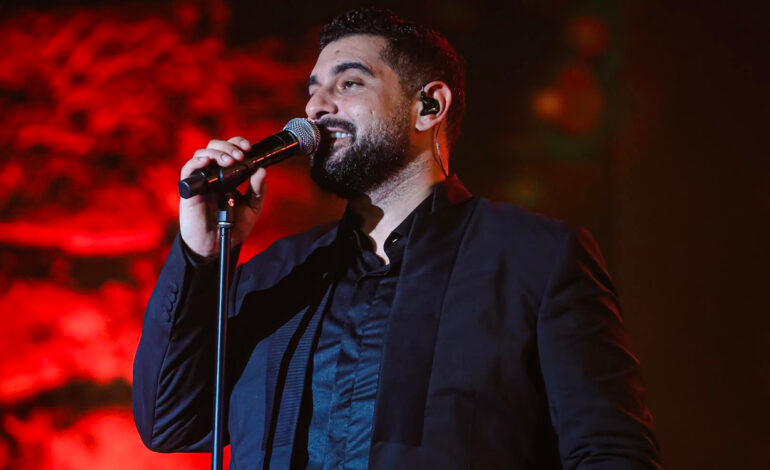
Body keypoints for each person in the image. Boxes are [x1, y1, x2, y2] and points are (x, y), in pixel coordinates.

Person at [133, 7, 661, 469]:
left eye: (349, 83)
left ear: (428, 106)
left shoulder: (535, 261)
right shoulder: (277, 274)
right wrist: (202, 256)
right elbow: (169, 423)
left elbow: (610, 452)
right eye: (312, 89)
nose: (315, 107)